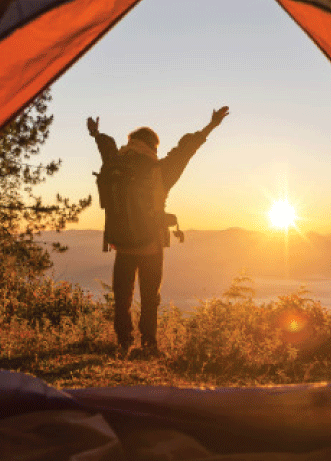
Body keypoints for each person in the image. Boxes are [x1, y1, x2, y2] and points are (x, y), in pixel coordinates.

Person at [87, 106, 229, 357]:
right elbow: (187, 149)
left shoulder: (115, 163)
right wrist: (211, 125)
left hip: (121, 243)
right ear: (153, 146)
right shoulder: (161, 170)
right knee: (149, 297)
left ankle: (123, 343)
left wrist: (96, 134)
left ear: (131, 142)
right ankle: (149, 345)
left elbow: (106, 147)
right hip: (150, 245)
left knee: (122, 297)